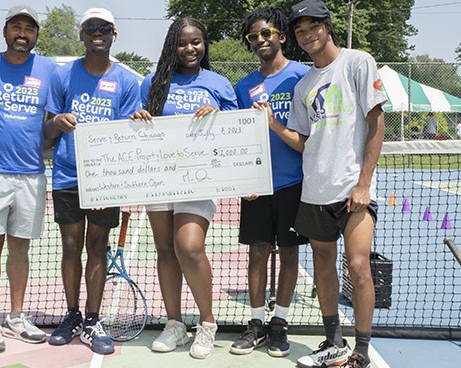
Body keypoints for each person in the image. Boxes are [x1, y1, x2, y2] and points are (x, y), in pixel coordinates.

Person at [256, 1, 387, 367]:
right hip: (314, 191)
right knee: (323, 267)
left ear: (327, 27)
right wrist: (274, 125)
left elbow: (376, 124)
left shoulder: (358, 63)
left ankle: (361, 350)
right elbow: (304, 140)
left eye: (314, 26)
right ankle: (333, 342)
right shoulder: (305, 85)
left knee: (359, 266)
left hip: (352, 191)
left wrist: (363, 184)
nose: (308, 34)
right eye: (300, 31)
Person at [130, 17, 237, 359]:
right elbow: (135, 125)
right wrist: (139, 118)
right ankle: (174, 323)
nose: (190, 49)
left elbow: (238, 129)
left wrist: (216, 114)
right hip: (159, 178)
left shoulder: (218, 83)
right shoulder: (151, 81)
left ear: (204, 45)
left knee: (187, 246)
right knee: (164, 250)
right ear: (171, 46)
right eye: (182, 43)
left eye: (196, 42)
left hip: (199, 178)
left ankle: (206, 324)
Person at [43, 8, 140, 355]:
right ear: (81, 35)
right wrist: (58, 123)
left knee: (97, 247)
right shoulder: (63, 76)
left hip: (106, 180)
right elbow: (47, 131)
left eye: (103, 28)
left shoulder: (128, 81)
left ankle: (93, 320)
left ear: (113, 34)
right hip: (67, 175)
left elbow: (131, 135)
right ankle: (71, 315)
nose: (96, 33)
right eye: (90, 28)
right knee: (71, 247)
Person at [0, 4, 57, 353]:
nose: (22, 33)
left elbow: (57, 117)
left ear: (36, 35)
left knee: (21, 248)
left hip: (32, 176)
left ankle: (16, 316)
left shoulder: (49, 70)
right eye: (16, 27)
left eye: (29, 29)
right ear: (5, 31)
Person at [230, 7, 309, 358]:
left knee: (290, 255)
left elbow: (309, 136)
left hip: (295, 183)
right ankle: (257, 323)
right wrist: (243, 178)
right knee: (257, 253)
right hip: (257, 186)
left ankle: (280, 323)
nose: (260, 40)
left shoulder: (303, 76)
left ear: (281, 36)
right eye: (253, 37)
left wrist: (274, 124)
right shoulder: (244, 86)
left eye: (267, 34)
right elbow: (236, 139)